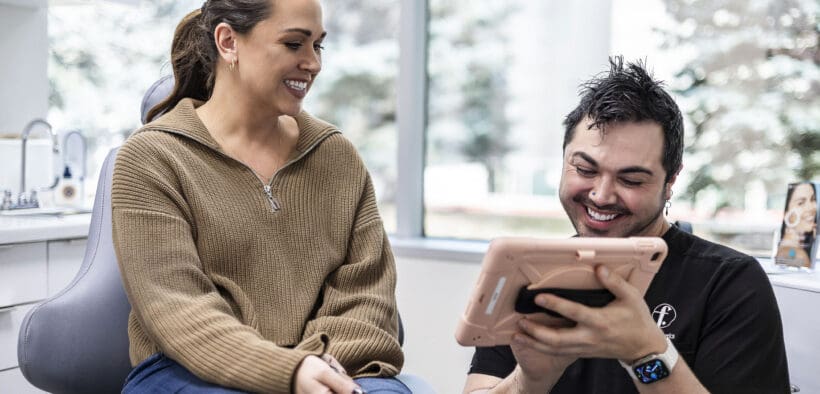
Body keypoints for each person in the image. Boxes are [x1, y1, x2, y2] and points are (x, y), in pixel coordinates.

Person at [111, 1, 409, 393]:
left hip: (329, 363)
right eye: (293, 44)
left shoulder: (336, 155)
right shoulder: (151, 158)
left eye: (317, 46)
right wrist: (286, 372)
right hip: (187, 369)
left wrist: (311, 368)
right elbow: (178, 309)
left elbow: (366, 295)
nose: (313, 63)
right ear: (228, 41)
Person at [462, 57, 790, 393]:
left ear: (670, 180)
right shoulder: (528, 273)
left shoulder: (728, 284)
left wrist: (646, 355)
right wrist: (530, 381)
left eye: (631, 179)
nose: (601, 196)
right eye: (585, 170)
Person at [775, 182, 818, 268]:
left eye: (813, 199)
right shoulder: (799, 255)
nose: (811, 208)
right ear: (786, 212)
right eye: (800, 203)